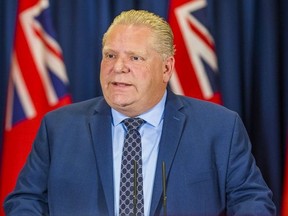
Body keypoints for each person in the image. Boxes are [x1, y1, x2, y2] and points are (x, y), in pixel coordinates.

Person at [4, 9, 276, 215]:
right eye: (110, 55)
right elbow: (25, 201)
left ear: (166, 68)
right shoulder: (59, 128)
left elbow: (252, 200)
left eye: (135, 57)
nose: (118, 67)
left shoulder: (219, 128)